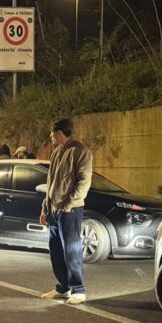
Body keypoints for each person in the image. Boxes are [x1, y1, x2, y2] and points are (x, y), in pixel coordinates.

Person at [39, 117, 93, 305]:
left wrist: (69, 204)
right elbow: (50, 183)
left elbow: (84, 181)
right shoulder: (56, 152)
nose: (50, 136)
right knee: (55, 251)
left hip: (70, 210)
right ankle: (64, 287)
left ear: (60, 133)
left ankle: (79, 290)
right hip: (54, 210)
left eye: (52, 133)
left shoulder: (80, 151)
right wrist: (45, 208)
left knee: (71, 250)